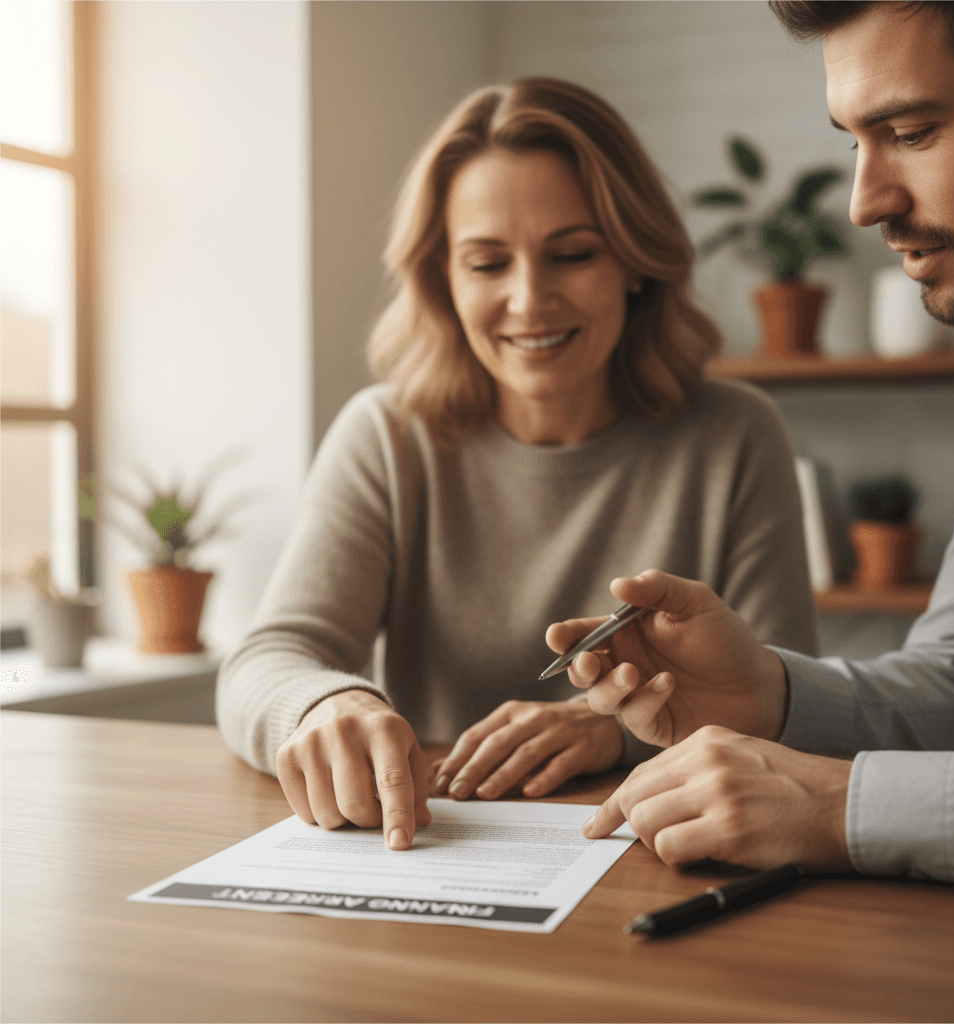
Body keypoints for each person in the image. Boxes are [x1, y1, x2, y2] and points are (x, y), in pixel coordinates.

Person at [216, 78, 818, 851]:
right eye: (487, 263)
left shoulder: (736, 433)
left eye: (571, 254)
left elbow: (790, 699)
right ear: (443, 279)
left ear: (635, 263)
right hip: (430, 848)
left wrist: (613, 732)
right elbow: (267, 658)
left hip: (654, 847)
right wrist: (327, 707)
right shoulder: (387, 436)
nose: (530, 300)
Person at [553, 1, 954, 893]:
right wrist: (769, 698)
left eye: (913, 132)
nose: (863, 203)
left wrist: (843, 805)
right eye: (856, 143)